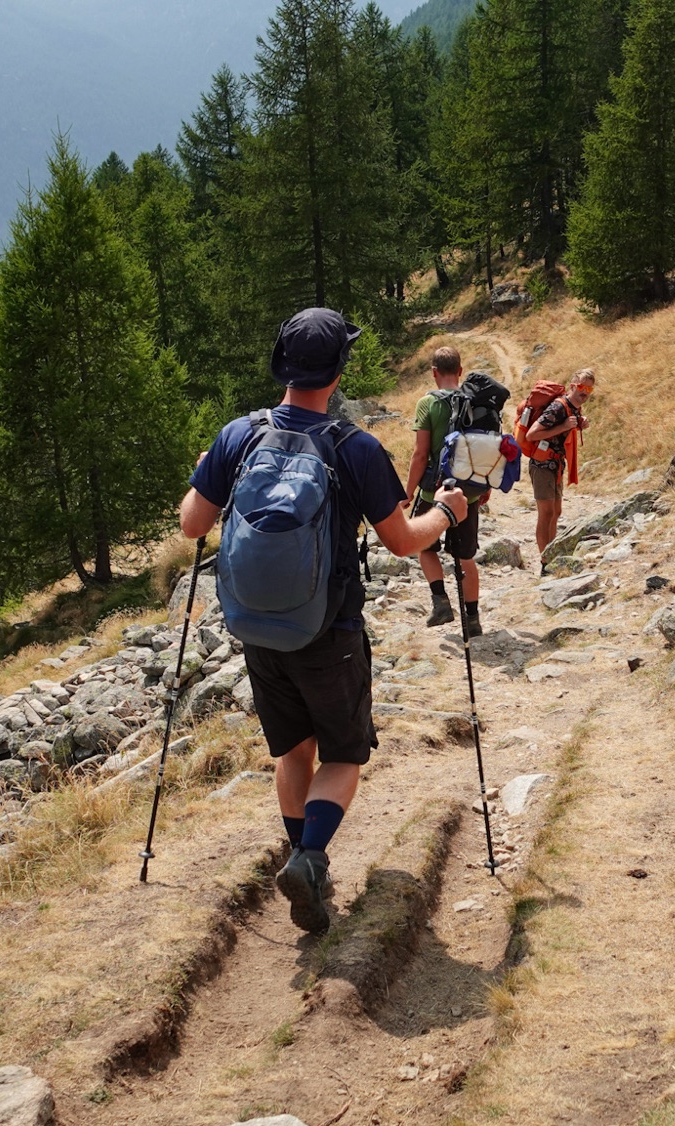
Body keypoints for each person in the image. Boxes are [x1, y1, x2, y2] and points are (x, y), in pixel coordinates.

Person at [179, 308, 471, 934]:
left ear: (283, 365)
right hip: (329, 630)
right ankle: (310, 859)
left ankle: (298, 855)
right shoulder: (354, 447)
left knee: (292, 748)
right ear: (339, 371)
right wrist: (446, 513)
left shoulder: (239, 436)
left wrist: (205, 468)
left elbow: (192, 525)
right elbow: (400, 540)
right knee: (342, 754)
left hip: (255, 629)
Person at [405, 346, 483, 634]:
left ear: (434, 372)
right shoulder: (475, 402)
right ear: (460, 370)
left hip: (433, 492)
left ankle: (441, 602)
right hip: (468, 493)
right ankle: (472, 620)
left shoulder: (427, 403)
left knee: (424, 546)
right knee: (465, 557)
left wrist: (409, 491)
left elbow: (420, 454)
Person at [524, 367, 595, 565]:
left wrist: (578, 423)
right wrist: (563, 427)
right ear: (573, 385)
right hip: (542, 465)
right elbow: (531, 434)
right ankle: (545, 562)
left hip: (555, 465)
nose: (584, 392)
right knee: (546, 513)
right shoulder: (558, 407)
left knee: (556, 512)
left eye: (589, 389)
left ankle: (551, 555)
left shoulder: (573, 407)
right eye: (581, 387)